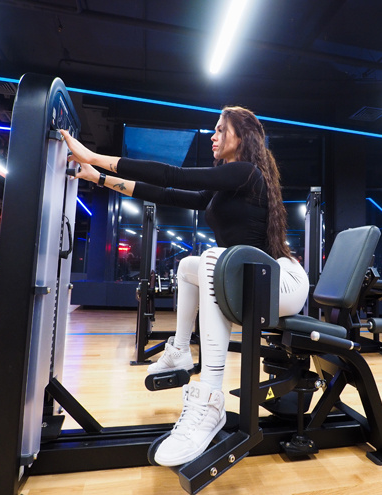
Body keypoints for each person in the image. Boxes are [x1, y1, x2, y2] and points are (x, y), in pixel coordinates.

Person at [61, 106, 309, 467]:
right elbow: (168, 193)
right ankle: (179, 350)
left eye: (220, 129)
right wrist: (98, 178)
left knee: (211, 258)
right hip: (258, 279)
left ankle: (210, 398)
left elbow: (171, 174)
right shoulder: (226, 186)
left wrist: (95, 156)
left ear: (241, 137)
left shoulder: (247, 173)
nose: (213, 136)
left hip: (283, 281)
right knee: (190, 264)